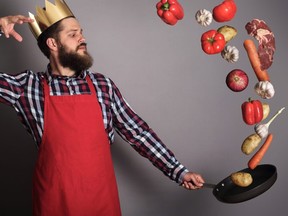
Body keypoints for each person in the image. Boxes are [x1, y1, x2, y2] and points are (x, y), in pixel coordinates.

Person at [0, 0, 205, 215]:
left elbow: (138, 132)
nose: (83, 39)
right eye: (73, 34)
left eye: (81, 32)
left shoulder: (102, 86)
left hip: (101, 202)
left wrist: (178, 172)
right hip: (54, 204)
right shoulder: (27, 86)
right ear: (53, 44)